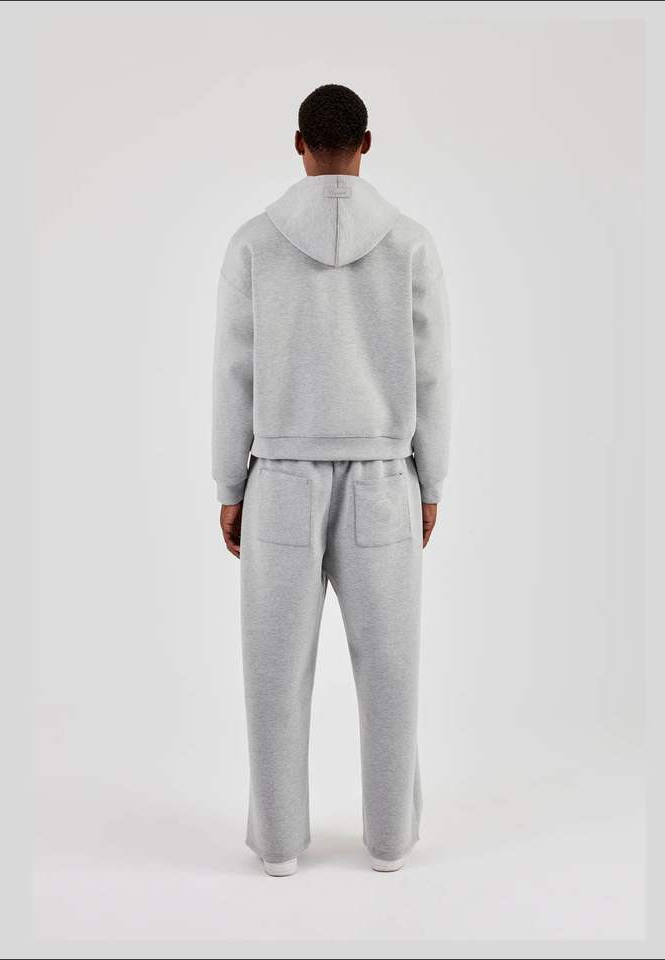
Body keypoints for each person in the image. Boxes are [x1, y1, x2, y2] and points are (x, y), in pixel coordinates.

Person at [211, 84, 451, 877]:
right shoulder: (411, 244)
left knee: (274, 671)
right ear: (367, 143)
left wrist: (229, 483)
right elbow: (433, 373)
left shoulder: (254, 244)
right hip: (384, 477)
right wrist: (430, 481)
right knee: (391, 668)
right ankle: (389, 842)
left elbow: (234, 372)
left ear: (299, 143)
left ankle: (280, 846)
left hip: (280, 476)